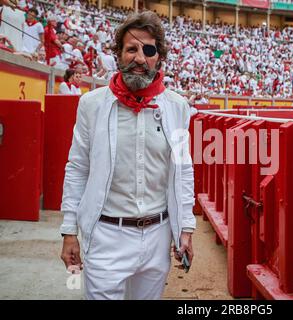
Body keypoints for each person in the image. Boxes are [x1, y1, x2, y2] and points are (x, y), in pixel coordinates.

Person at [59, 11, 196, 300]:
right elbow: (78, 168)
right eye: (131, 49)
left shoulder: (177, 107)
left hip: (158, 236)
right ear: (118, 55)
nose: (139, 58)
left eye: (148, 50)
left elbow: (183, 170)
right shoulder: (91, 105)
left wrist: (186, 227)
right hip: (106, 235)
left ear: (159, 57)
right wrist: (69, 230)